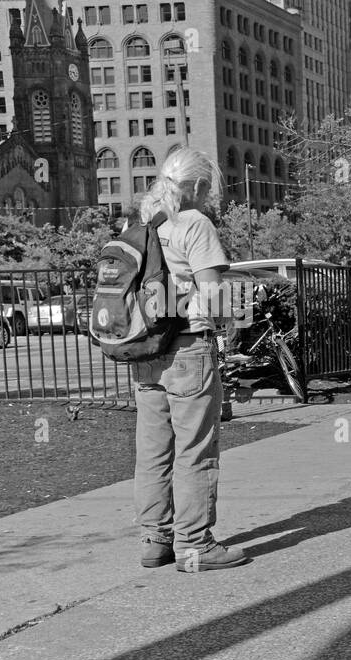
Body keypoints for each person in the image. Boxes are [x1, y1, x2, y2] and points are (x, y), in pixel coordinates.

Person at [132, 147, 247, 571]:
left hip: (146, 351)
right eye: (208, 189)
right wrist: (231, 325)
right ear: (198, 186)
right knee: (195, 448)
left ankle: (155, 538)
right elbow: (214, 293)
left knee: (153, 448)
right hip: (187, 348)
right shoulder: (193, 222)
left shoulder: (141, 222)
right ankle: (195, 545)